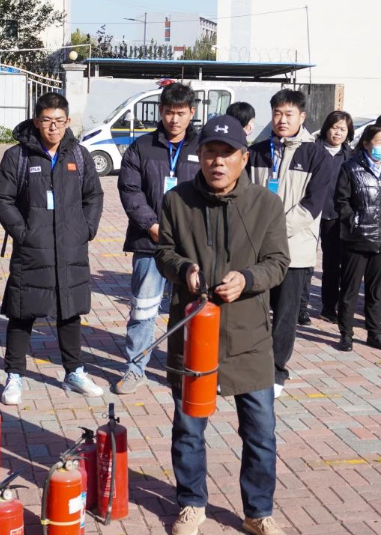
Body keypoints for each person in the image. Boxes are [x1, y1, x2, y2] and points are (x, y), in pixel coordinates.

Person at [156, 114, 290, 535]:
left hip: (249, 336)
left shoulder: (266, 204)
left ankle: (258, 511)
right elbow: (163, 253)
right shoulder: (177, 201)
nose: (218, 161)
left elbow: (278, 262)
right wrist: (184, 269)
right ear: (199, 156)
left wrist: (247, 279)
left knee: (261, 432)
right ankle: (191, 503)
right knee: (189, 428)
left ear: (243, 158)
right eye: (210, 152)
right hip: (193, 333)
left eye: (227, 153)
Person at [0, 92, 105, 405]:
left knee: (70, 311)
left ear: (68, 122)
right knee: (22, 311)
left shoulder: (78, 155)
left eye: (59, 121)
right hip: (33, 248)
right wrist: (22, 232)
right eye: (47, 120)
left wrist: (87, 229)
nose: (53, 127)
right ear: (36, 121)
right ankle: (14, 374)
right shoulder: (18, 156)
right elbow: (1, 198)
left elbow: (94, 196)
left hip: (70, 248)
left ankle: (74, 371)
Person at [115, 83, 200, 395]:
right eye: (169, 112)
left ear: (191, 112)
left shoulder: (204, 146)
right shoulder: (142, 147)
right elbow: (130, 190)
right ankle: (135, 368)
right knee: (143, 309)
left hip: (192, 246)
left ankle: (189, 367)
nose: (174, 119)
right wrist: (153, 226)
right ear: (160, 111)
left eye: (181, 113)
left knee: (191, 309)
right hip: (150, 244)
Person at [248, 89, 326, 396]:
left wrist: (275, 231)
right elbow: (245, 196)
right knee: (253, 312)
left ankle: (276, 371)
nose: (282, 120)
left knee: (284, 315)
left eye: (289, 114)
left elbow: (312, 204)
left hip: (295, 250)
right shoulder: (256, 152)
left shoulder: (316, 155)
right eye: (277, 113)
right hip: (256, 250)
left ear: (302, 117)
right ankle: (250, 366)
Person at [334, 124, 381, 352]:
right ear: (366, 144)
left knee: (376, 291)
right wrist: (354, 222)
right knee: (350, 290)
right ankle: (346, 335)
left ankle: (374, 333)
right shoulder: (350, 167)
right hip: (357, 238)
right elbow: (341, 201)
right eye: (379, 142)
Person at [315, 111, 355, 325]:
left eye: (343, 129)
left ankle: (328, 307)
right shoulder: (313, 150)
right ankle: (300, 306)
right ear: (326, 128)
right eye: (335, 127)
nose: (338, 132)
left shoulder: (350, 156)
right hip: (311, 212)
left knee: (332, 264)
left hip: (336, 216)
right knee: (304, 262)